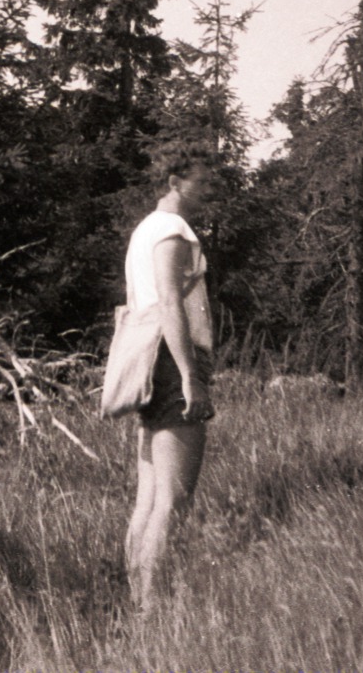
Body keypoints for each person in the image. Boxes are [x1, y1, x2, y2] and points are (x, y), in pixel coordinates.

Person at [123, 146, 217, 609]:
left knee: (149, 500)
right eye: (203, 182)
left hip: (150, 364)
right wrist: (189, 376)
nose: (210, 190)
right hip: (171, 363)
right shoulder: (172, 230)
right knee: (172, 502)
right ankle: (151, 612)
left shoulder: (145, 230)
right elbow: (169, 302)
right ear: (176, 182)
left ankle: (137, 604)